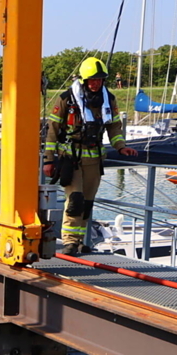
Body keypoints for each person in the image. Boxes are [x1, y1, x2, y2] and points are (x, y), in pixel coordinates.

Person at [43, 57, 138, 256]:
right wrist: (49, 159)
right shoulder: (67, 99)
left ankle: (79, 241)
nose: (96, 83)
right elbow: (52, 130)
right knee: (75, 200)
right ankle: (68, 242)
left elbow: (113, 127)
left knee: (87, 202)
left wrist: (121, 146)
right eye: (92, 80)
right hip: (71, 159)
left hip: (95, 159)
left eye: (100, 80)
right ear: (84, 81)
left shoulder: (108, 99)